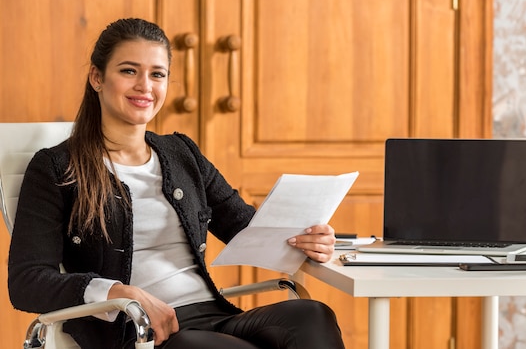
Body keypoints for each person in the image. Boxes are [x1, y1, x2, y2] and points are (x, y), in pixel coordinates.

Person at [8, 18, 345, 349]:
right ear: (97, 77)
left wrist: (308, 238)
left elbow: (246, 228)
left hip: (215, 316)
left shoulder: (181, 152)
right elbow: (27, 281)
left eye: (157, 74)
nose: (145, 86)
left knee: (312, 316)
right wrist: (120, 292)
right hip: (141, 332)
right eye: (129, 71)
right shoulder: (56, 167)